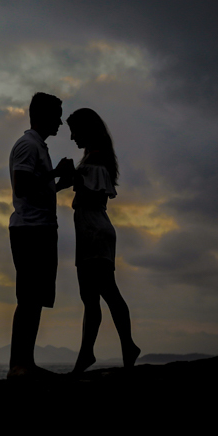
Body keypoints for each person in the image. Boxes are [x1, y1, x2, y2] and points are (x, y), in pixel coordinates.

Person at [66, 108, 140, 373]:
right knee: (91, 296)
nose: (72, 137)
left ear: (87, 130)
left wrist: (72, 177)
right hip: (91, 232)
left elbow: (88, 195)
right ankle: (87, 354)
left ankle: (122, 347)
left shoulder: (95, 160)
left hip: (94, 232)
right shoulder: (95, 159)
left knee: (106, 292)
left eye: (75, 130)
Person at [7, 92, 74, 379]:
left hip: (41, 228)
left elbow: (35, 189)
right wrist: (54, 173)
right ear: (42, 115)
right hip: (30, 230)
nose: (60, 121)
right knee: (28, 298)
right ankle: (18, 365)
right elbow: (21, 186)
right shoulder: (27, 145)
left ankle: (26, 363)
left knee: (35, 299)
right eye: (57, 115)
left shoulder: (38, 147)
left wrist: (59, 183)